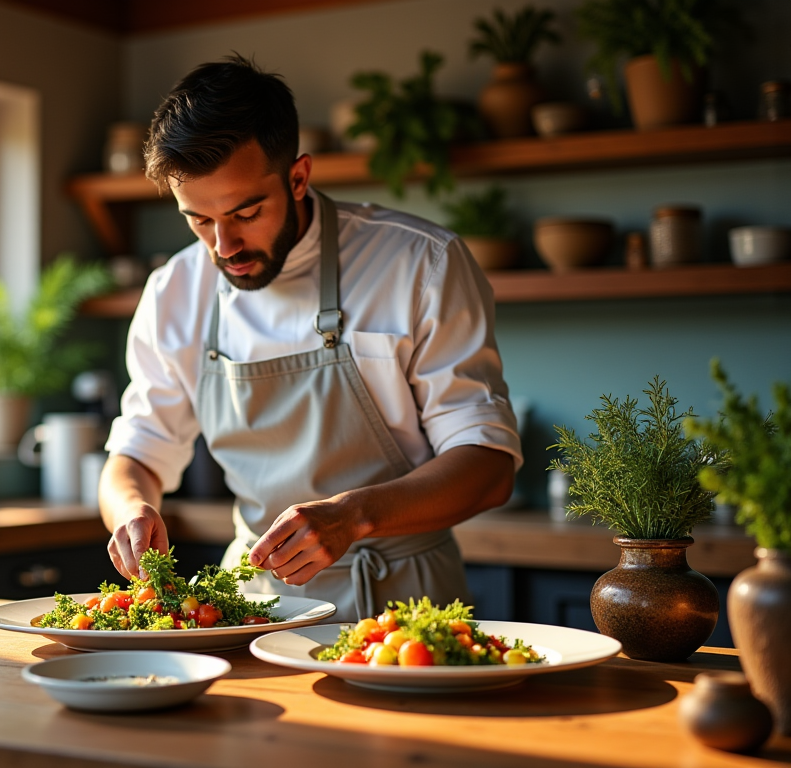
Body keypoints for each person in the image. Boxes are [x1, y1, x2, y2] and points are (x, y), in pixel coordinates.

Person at [98, 54, 522, 621]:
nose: (224, 246)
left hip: (401, 607)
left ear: (298, 177)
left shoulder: (420, 262)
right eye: (198, 219)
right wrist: (132, 510)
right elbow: (137, 454)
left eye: (246, 212)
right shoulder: (175, 289)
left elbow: (488, 467)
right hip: (246, 610)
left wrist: (353, 516)